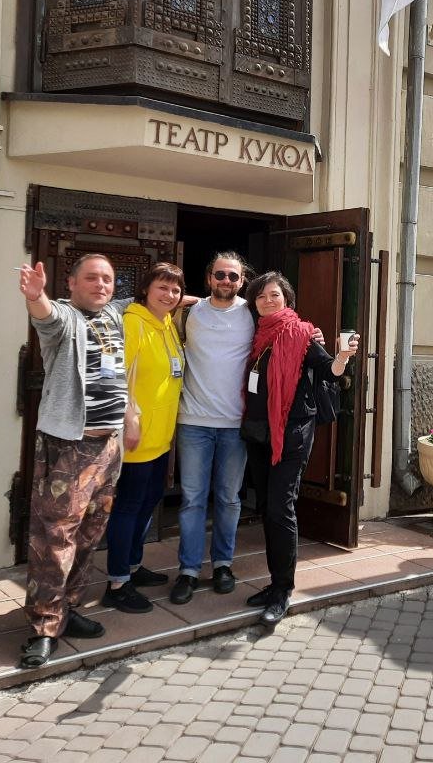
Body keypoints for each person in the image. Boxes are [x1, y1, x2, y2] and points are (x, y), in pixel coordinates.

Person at [16, 255, 128, 668]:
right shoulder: (67, 317)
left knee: (88, 533)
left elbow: (159, 298)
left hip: (108, 447)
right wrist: (35, 296)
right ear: (73, 282)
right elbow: (46, 316)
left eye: (108, 279)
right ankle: (43, 627)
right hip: (70, 446)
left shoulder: (114, 314)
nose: (101, 285)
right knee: (54, 538)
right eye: (93, 278)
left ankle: (68, 608)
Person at [242, 272, 358, 626]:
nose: (267, 300)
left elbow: (328, 371)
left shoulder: (302, 334)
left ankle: (282, 591)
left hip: (291, 433)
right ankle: (274, 581)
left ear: (287, 299)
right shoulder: (255, 335)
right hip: (259, 433)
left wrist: (342, 356)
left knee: (281, 508)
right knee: (266, 506)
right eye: (261, 296)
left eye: (274, 294)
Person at [170, 253, 256, 605]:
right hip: (193, 422)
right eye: (219, 274)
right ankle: (188, 570)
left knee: (228, 498)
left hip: (236, 424)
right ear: (208, 278)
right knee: (191, 500)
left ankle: (223, 564)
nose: (226, 281)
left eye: (233, 276)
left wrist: (315, 334)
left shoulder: (253, 312)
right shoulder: (188, 311)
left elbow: (286, 329)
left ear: (242, 280)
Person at [100, 263, 186, 614]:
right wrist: (128, 417)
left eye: (175, 290)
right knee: (129, 507)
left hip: (161, 438)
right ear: (145, 289)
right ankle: (117, 582)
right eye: (161, 287)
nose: (169, 295)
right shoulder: (132, 322)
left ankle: (133, 565)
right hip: (136, 438)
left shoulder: (167, 323)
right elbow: (113, 373)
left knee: (148, 502)